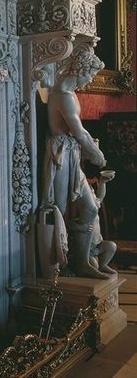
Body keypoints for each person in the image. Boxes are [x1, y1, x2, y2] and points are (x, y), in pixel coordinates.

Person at [40, 49, 112, 279]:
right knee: (59, 210)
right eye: (90, 74)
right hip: (61, 156)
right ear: (79, 69)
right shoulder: (63, 95)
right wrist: (95, 153)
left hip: (70, 153)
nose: (90, 80)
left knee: (90, 207)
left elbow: (81, 132)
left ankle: (83, 261)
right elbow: (78, 131)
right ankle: (59, 264)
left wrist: (93, 149)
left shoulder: (69, 93)